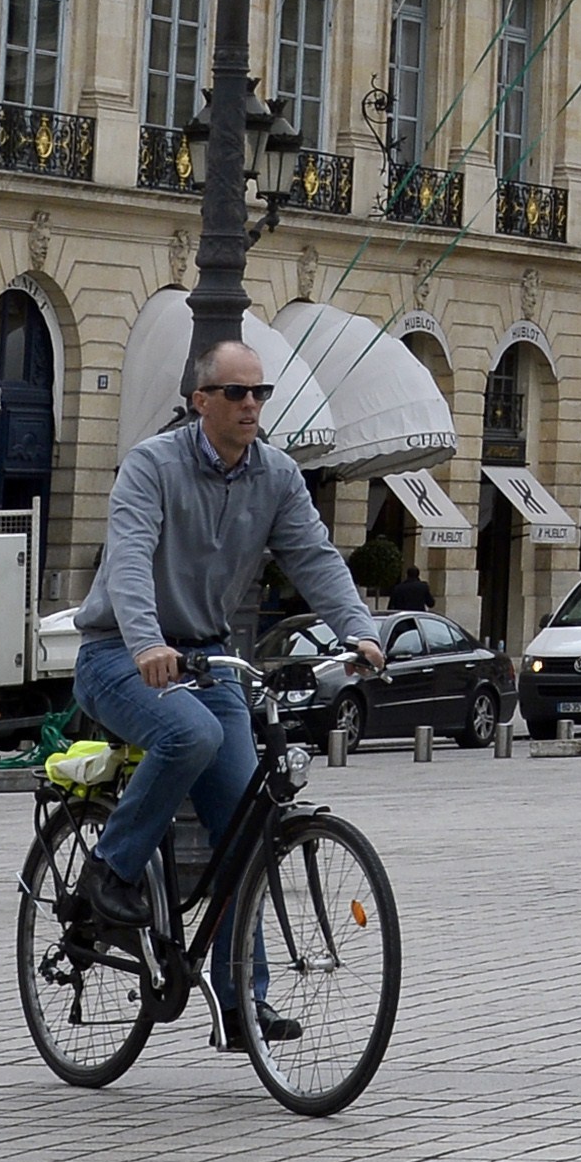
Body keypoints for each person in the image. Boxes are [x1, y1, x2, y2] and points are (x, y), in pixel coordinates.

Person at [67, 338, 382, 940]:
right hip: (118, 652)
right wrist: (145, 644)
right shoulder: (151, 465)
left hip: (209, 658)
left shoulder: (278, 475)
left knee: (246, 829)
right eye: (236, 392)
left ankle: (243, 1005)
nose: (251, 404)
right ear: (201, 400)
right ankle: (110, 869)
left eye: (260, 392)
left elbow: (315, 558)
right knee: (193, 734)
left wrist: (359, 633)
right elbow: (129, 560)